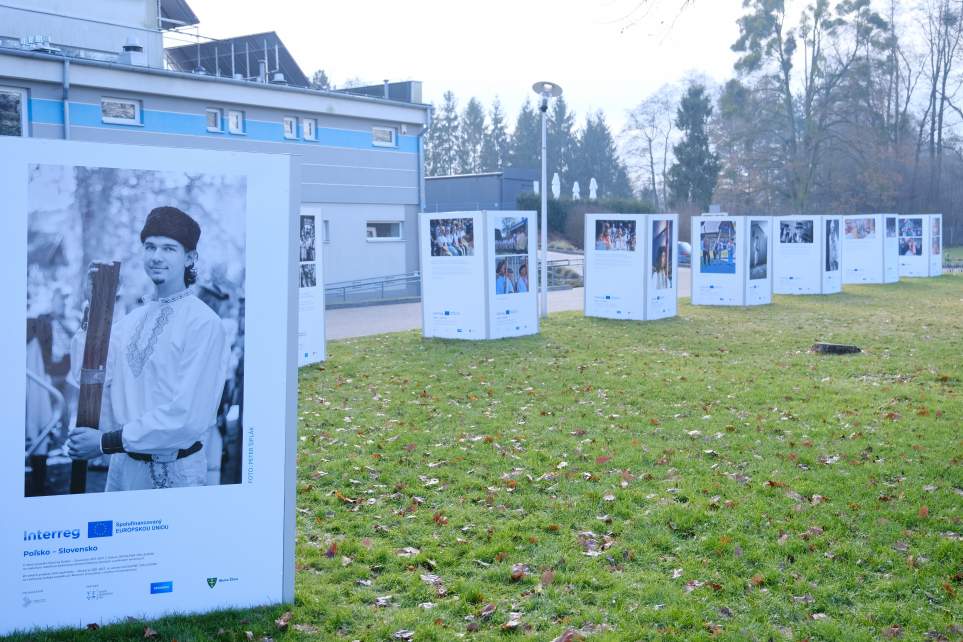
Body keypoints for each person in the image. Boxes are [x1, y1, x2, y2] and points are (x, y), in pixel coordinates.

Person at [66, 206, 227, 491]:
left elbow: (187, 416)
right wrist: (93, 307)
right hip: (123, 469)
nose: (156, 257)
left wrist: (105, 442)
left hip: (174, 473)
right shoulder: (131, 321)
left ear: (190, 257)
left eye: (168, 248)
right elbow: (92, 374)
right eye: (150, 247)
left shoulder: (203, 323)